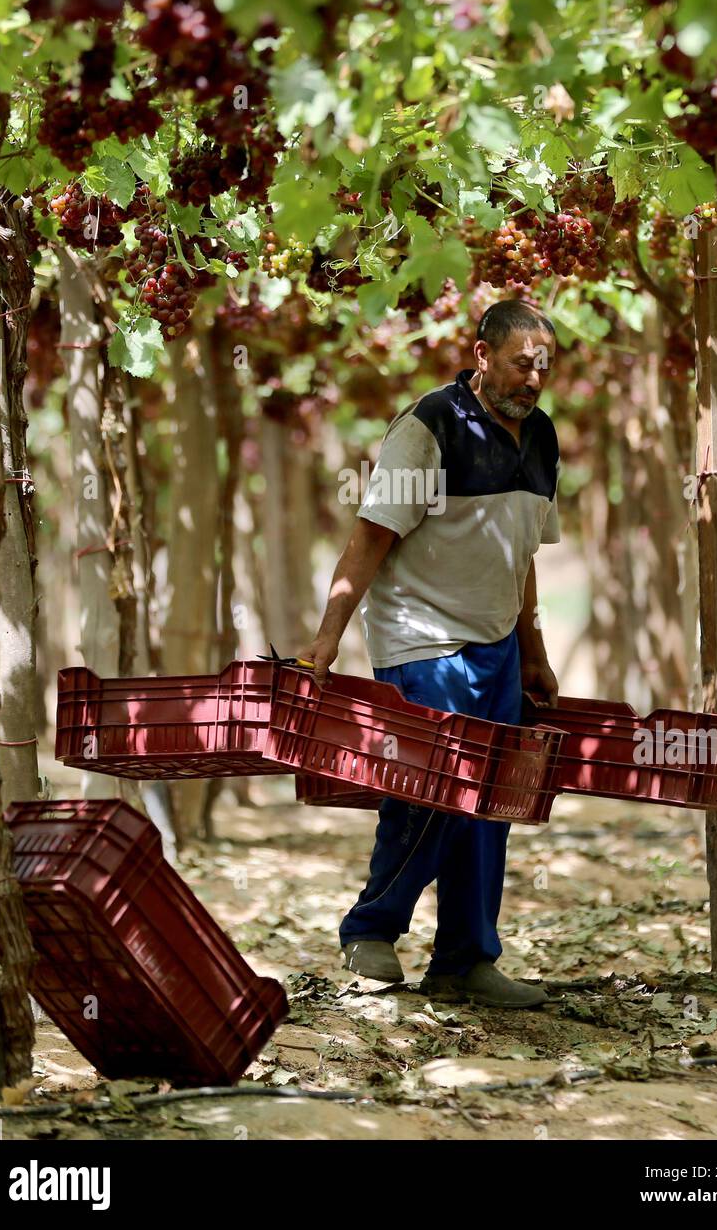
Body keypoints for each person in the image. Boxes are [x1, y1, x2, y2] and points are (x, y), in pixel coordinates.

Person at [298, 299, 561, 1007]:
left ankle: (465, 960)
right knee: (432, 789)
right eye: (520, 363)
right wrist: (326, 640)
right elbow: (370, 537)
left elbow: (523, 551)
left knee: (489, 803)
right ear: (481, 354)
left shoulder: (542, 440)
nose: (533, 379)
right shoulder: (428, 428)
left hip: (497, 644)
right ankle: (371, 930)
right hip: (421, 637)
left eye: (543, 366)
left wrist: (532, 650)